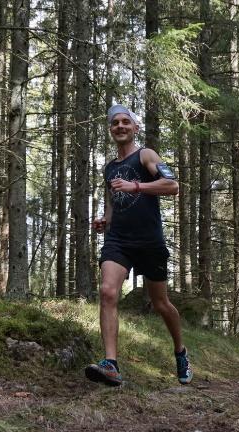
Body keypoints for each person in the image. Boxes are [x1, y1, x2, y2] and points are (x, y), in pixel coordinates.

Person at [84, 104, 192, 387]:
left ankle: (180, 351)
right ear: (110, 130)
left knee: (160, 303)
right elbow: (113, 199)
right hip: (118, 241)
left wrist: (137, 187)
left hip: (149, 242)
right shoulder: (110, 168)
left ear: (135, 127)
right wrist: (105, 220)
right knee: (108, 292)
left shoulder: (145, 155)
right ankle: (111, 364)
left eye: (125, 122)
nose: (120, 126)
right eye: (114, 123)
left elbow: (172, 185)